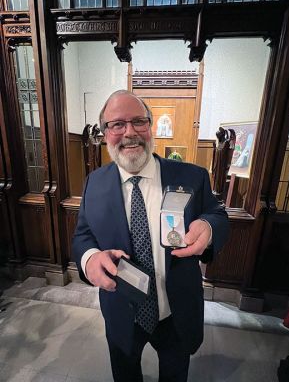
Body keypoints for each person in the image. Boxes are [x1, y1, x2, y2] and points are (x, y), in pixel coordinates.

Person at [72, 90, 229, 382]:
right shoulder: (94, 182)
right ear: (105, 133)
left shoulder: (192, 176)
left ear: (150, 126)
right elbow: (83, 235)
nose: (130, 132)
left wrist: (208, 227)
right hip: (122, 310)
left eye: (138, 121)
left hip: (176, 311)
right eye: (117, 124)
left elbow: (218, 216)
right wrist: (90, 258)